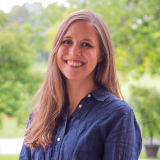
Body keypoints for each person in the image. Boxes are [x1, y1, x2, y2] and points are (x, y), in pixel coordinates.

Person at [19, 9, 142, 160]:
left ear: (101, 55)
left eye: (86, 44)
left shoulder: (118, 115)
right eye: (67, 42)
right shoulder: (39, 114)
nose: (74, 51)